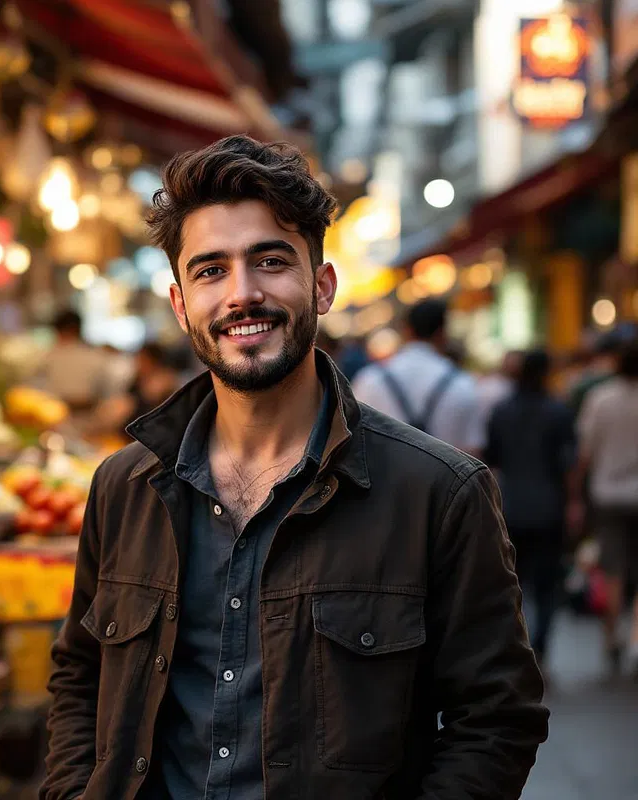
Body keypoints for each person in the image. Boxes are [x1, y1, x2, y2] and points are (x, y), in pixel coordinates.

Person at [41, 135, 547, 800]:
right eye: (210, 270)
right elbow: (79, 676)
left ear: (322, 285)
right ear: (180, 304)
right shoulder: (123, 487)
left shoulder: (440, 495)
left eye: (270, 261)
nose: (242, 295)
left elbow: (497, 721)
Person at [485, 349, 577, 669]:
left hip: (511, 507)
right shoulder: (558, 411)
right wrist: (574, 504)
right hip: (550, 507)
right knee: (548, 584)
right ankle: (540, 648)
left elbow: (491, 462)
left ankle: (517, 645)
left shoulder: (501, 411)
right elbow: (568, 467)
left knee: (513, 583)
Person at [576, 339, 638, 677]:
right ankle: (635, 640)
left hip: (609, 494)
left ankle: (611, 636)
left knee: (613, 568)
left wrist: (577, 495)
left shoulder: (601, 398)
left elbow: (585, 452)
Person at [352, 299, 484, 455]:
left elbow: (353, 444)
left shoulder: (370, 379)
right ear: (442, 332)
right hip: (443, 478)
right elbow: (473, 451)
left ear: (407, 330)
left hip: (379, 477)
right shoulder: (463, 384)